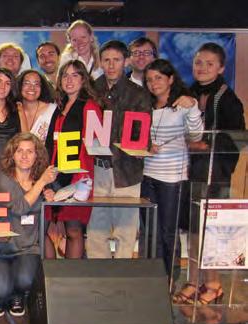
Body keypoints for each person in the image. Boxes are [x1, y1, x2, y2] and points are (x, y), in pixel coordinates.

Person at [174, 43, 245, 305]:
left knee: (210, 230)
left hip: (214, 174)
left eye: (209, 63)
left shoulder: (228, 99)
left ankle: (213, 283)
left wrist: (204, 144)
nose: (202, 68)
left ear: (221, 68)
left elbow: (235, 138)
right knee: (193, 231)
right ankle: (194, 280)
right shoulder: (187, 93)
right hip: (190, 173)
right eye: (198, 63)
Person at [88, 40, 152, 259]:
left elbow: (141, 134)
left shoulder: (139, 94)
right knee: (96, 229)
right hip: (98, 168)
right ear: (100, 62)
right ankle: (99, 273)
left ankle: (123, 273)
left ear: (126, 62)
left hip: (127, 169)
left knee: (126, 230)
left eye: (116, 60)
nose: (111, 65)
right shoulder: (92, 90)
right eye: (106, 60)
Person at [141, 59, 203, 279]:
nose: (153, 83)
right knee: (151, 233)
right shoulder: (146, 106)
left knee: (168, 232)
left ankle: (168, 281)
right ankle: (153, 279)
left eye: (158, 77)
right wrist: (145, 146)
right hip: (147, 176)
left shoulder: (183, 104)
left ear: (171, 79)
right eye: (149, 79)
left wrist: (193, 108)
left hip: (172, 178)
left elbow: (196, 135)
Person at [0, 132, 57, 316]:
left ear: (37, 156)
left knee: (25, 280)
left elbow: (44, 222)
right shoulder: (3, 179)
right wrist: (42, 183)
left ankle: (18, 294)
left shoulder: (42, 183)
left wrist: (49, 200)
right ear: (12, 155)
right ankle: (0, 295)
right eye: (20, 151)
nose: (24, 156)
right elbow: (19, 208)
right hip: (0, 249)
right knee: (1, 289)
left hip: (27, 248)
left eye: (30, 151)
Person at [46, 60, 101, 259]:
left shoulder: (89, 106)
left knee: (74, 230)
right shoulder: (60, 106)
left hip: (78, 177)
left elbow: (94, 144)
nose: (69, 80)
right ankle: (54, 274)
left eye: (75, 75)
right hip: (56, 173)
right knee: (49, 228)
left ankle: (72, 274)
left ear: (83, 79)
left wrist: (76, 180)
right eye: (65, 75)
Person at [17, 69, 57, 143]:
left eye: (36, 84)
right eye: (27, 83)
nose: (32, 87)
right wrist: (20, 111)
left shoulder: (53, 110)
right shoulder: (12, 110)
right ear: (19, 86)